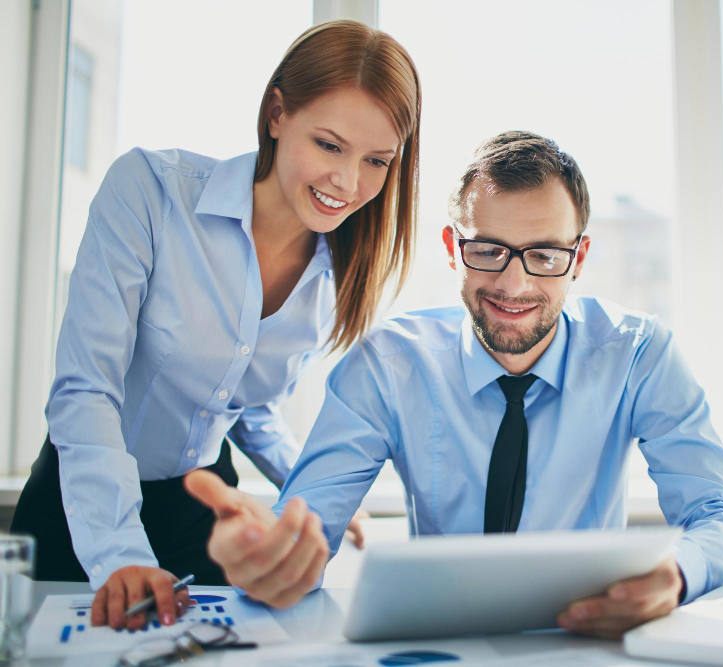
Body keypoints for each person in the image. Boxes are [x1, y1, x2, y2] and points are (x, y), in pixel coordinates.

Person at [186, 131, 723, 638]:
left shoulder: (640, 355)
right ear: (451, 249)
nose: (513, 284)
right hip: (442, 648)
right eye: (487, 250)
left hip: (587, 644)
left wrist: (677, 572)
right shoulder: (388, 365)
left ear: (579, 257)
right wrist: (272, 560)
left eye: (543, 254)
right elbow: (307, 528)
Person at [10, 19, 421, 632]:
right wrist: (122, 557)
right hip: (85, 505)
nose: (348, 183)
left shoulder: (336, 272)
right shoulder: (150, 192)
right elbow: (85, 391)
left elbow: (247, 410)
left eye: (377, 161)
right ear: (277, 114)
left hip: (203, 515)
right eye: (330, 145)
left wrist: (308, 495)